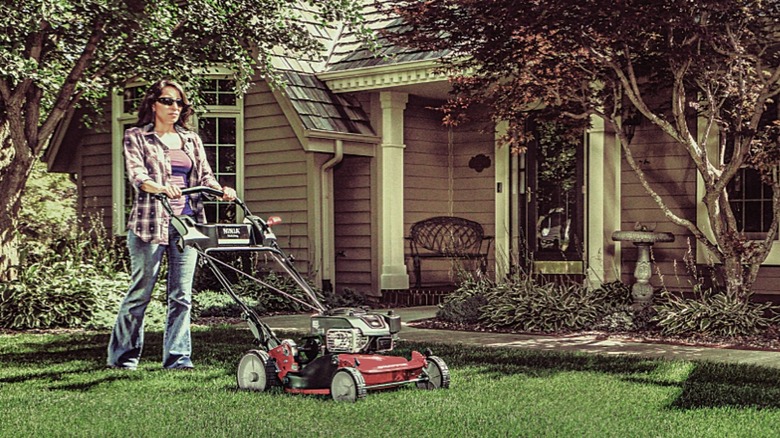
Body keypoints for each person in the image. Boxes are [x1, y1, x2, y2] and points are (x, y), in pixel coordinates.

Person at [107, 79, 236, 370]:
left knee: (182, 296)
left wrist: (222, 190)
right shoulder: (137, 136)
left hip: (186, 225)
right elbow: (137, 176)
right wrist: (161, 187)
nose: (174, 107)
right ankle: (123, 358)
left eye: (179, 102)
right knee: (140, 292)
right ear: (153, 104)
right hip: (149, 224)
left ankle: (178, 358)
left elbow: (205, 177)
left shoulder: (191, 140)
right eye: (167, 101)